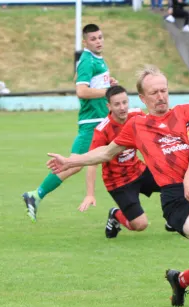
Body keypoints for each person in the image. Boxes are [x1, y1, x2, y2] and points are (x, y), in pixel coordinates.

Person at [46, 65, 189, 307]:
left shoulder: (187, 112)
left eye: (164, 90)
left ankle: (180, 280)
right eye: (154, 93)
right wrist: (70, 162)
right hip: (174, 195)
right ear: (142, 98)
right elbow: (106, 153)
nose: (161, 96)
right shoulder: (137, 125)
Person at [22, 24, 117, 222]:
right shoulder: (87, 61)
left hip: (101, 119)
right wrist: (108, 92)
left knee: (78, 164)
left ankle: (36, 195)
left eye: (100, 37)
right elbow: (81, 91)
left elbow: (88, 82)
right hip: (91, 122)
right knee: (78, 163)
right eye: (93, 39)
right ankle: (36, 195)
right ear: (85, 42)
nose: (98, 41)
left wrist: (108, 85)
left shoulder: (96, 59)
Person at [80, 85, 174, 238]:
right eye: (117, 104)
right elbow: (92, 162)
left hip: (139, 170)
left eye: (124, 102)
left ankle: (172, 219)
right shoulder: (102, 130)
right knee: (140, 225)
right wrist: (90, 194)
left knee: (174, 182)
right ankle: (116, 215)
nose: (122, 107)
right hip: (118, 182)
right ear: (108, 106)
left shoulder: (136, 115)